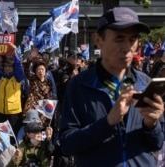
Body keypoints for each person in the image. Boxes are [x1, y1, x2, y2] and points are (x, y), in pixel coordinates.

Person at [59, 7, 164, 167]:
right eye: (119, 38)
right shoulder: (79, 86)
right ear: (98, 40)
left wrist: (151, 125)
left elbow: (157, 143)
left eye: (133, 39)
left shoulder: (145, 83)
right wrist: (108, 122)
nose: (127, 47)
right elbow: (67, 144)